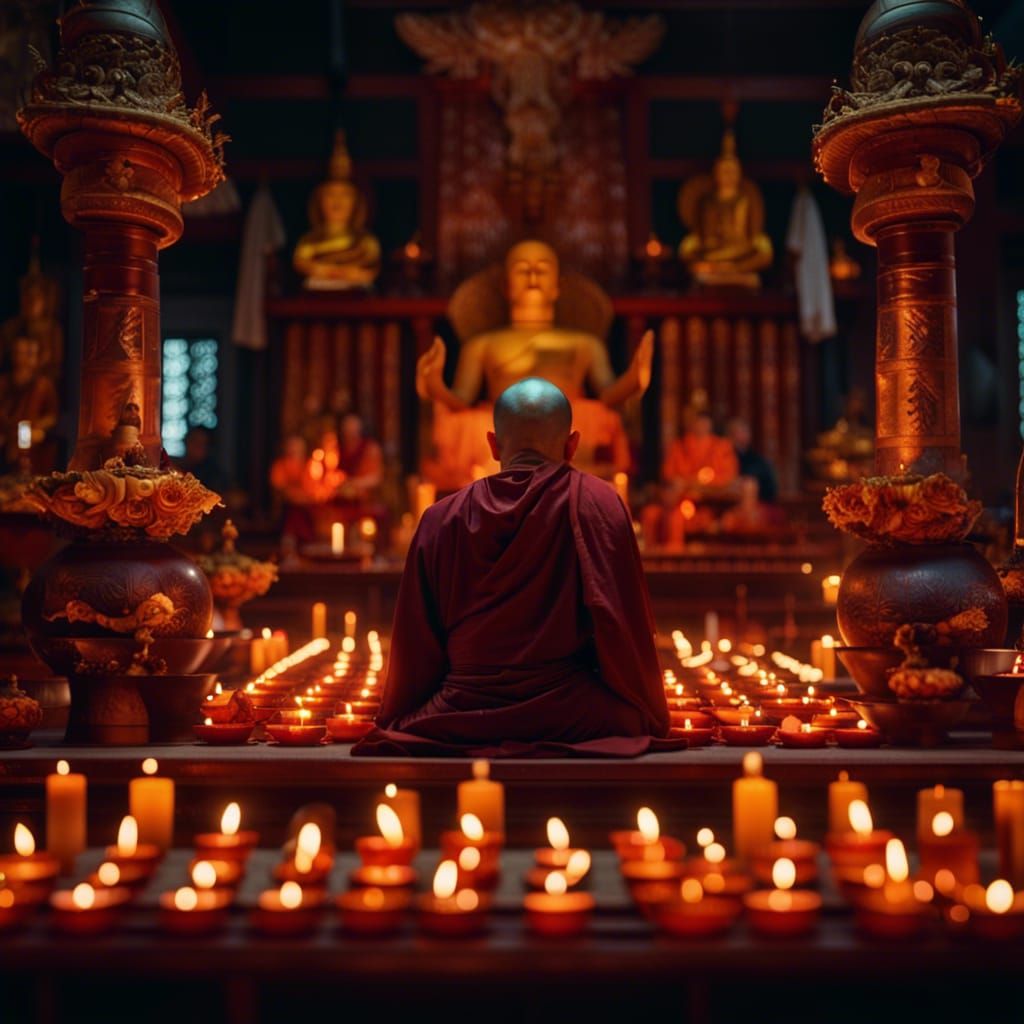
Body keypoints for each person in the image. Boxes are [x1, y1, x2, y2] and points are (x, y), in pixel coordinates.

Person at [354, 378, 673, 757]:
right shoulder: (599, 503)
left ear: (492, 444)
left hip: (461, 710)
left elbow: (416, 643)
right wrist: (650, 710)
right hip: (570, 709)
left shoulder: (441, 518)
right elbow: (625, 630)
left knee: (408, 727)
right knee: (635, 722)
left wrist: (401, 714)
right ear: (573, 445)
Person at [726, 417, 777, 503]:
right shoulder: (723, 455)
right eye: (739, 432)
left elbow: (769, 488)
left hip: (756, 501)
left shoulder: (756, 460)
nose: (743, 435)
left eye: (745, 431)